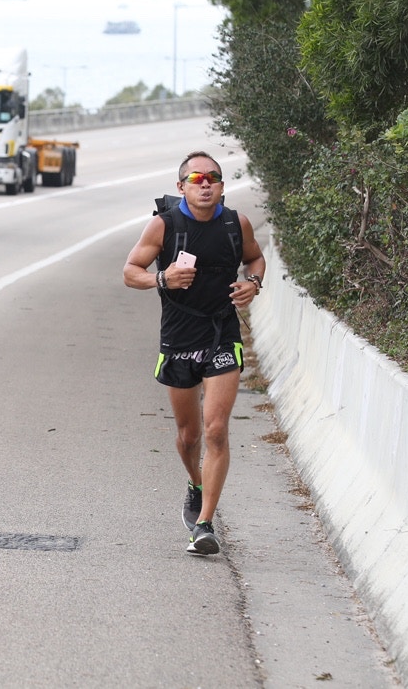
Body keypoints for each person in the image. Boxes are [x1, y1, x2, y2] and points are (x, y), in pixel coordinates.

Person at [122, 151, 266, 555]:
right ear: (181, 186)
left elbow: (254, 257)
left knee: (216, 429)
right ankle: (195, 482)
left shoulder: (235, 224)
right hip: (179, 337)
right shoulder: (164, 226)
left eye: (213, 178)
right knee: (189, 437)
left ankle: (204, 524)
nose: (205, 184)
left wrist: (253, 283)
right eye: (196, 178)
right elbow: (130, 272)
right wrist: (161, 278)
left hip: (222, 333)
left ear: (222, 185)